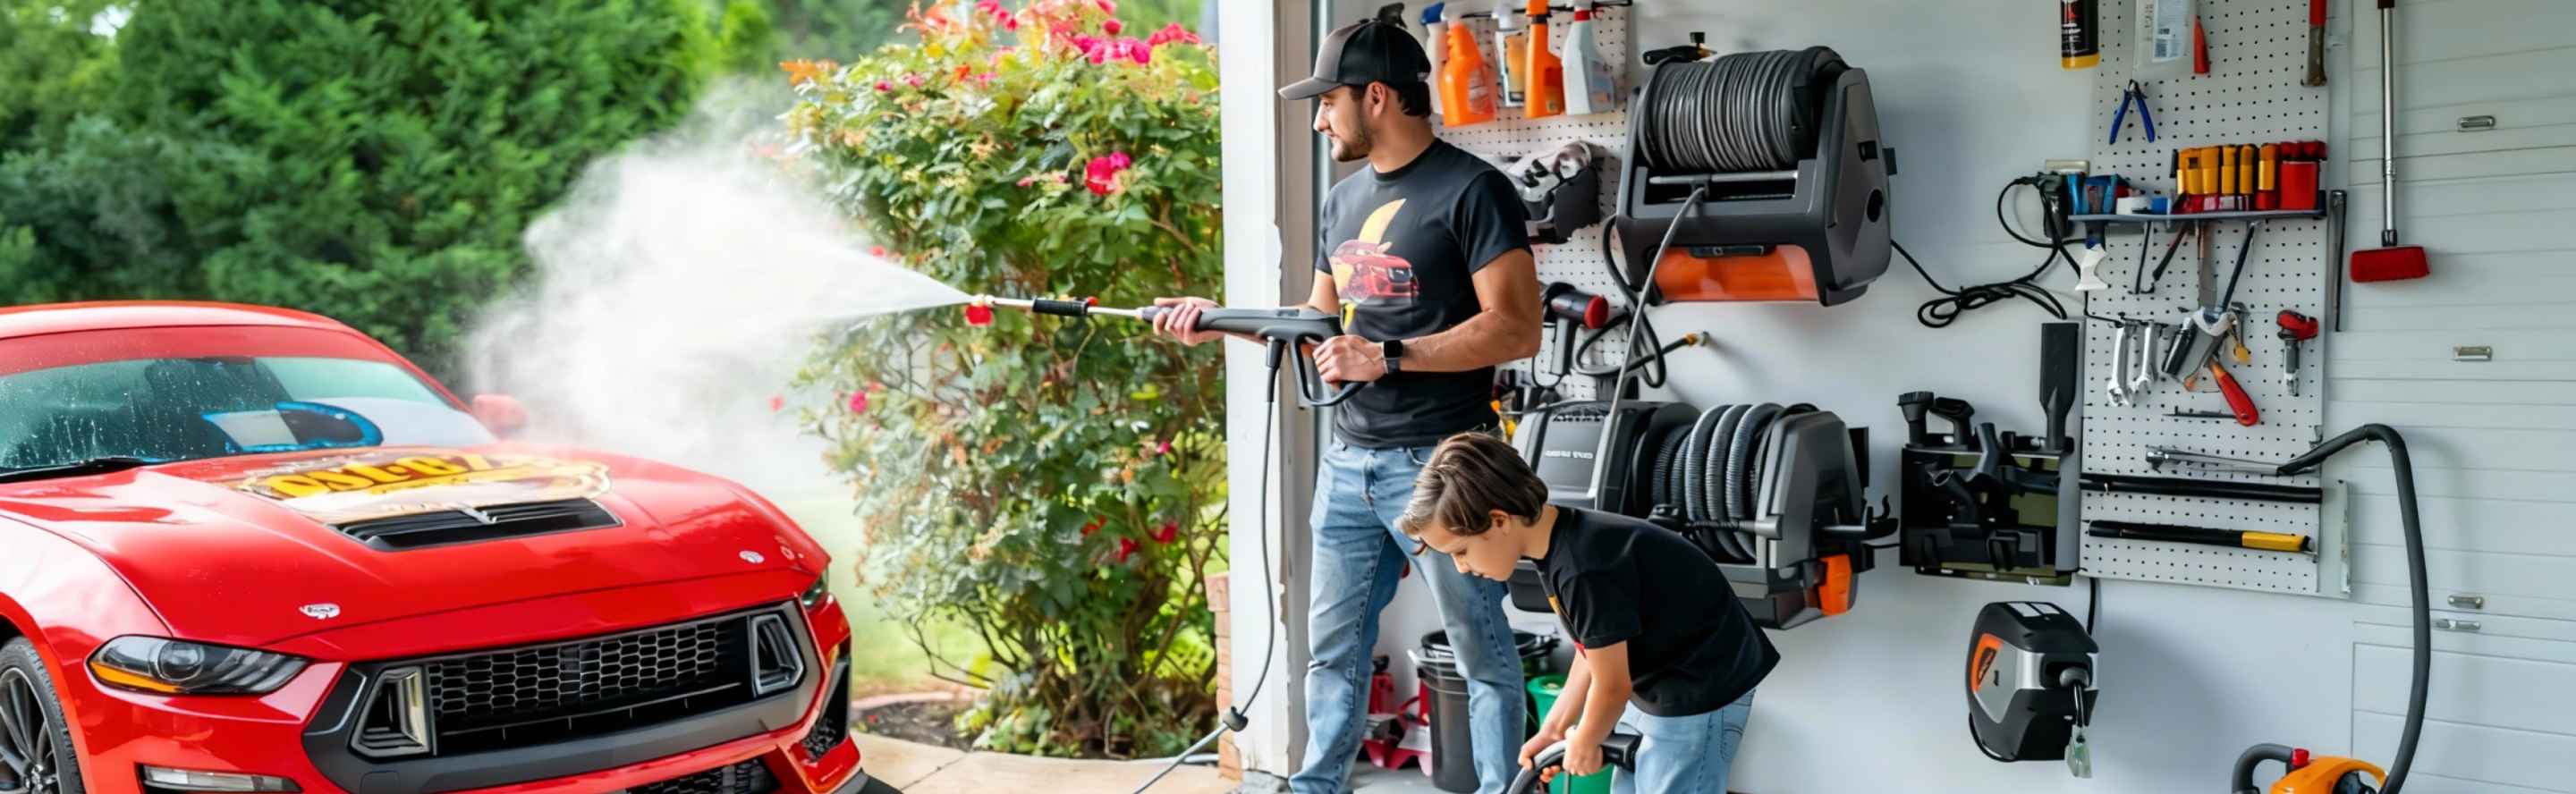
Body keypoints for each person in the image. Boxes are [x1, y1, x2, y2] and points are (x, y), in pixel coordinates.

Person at [1149, 15, 1541, 794]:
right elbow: (1317, 325)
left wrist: (1388, 356)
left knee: (1481, 652)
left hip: (1444, 465)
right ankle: (1315, 787)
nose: (1319, 120)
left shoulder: (1474, 190)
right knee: (1332, 652)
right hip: (1349, 462)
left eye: (1328, 102)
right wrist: (1216, 320)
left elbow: (1517, 327)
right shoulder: (1344, 199)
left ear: (1376, 97)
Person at [1397, 432, 1778, 794]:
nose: (1461, 567)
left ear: (1499, 521)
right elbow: (1593, 650)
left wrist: (1588, 739)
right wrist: (1556, 729)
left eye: (1460, 551)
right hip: (1658, 675)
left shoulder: (1583, 566)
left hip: (1699, 683)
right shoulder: (1557, 543)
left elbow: (1612, 685)